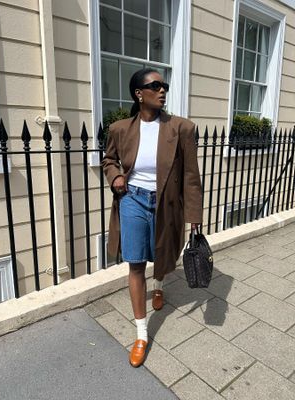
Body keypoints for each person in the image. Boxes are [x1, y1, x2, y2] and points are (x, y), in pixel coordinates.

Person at [102, 68, 203, 368]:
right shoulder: (120, 128)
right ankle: (141, 334)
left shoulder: (182, 128)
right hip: (132, 199)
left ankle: (159, 286)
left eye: (164, 86)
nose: (162, 91)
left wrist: (194, 214)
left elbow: (190, 176)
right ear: (139, 94)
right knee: (135, 262)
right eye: (155, 86)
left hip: (166, 203)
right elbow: (108, 160)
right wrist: (116, 176)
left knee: (161, 253)